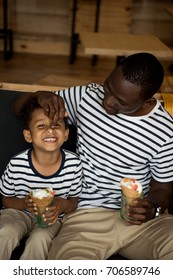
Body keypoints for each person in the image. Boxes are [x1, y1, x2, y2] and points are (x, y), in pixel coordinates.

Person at [13, 52, 173, 260]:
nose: (107, 101)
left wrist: (153, 206)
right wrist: (38, 95)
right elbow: (18, 108)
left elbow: (163, 188)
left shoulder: (165, 130)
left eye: (120, 102)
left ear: (145, 101)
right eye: (108, 88)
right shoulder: (85, 97)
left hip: (139, 224)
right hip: (86, 218)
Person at [0, 96, 82, 260]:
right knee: (7, 231)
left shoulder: (73, 164)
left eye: (56, 125)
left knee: (41, 239)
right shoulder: (17, 164)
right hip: (18, 213)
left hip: (51, 218)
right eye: (41, 125)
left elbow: (73, 202)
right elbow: (6, 200)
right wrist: (24, 203)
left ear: (66, 134)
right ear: (28, 135)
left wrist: (61, 204)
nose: (50, 130)